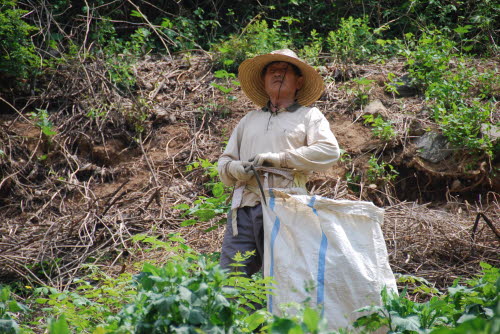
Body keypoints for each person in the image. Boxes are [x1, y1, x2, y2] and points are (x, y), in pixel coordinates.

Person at [218, 49, 340, 277]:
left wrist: (281, 158)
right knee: (231, 278)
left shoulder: (309, 116)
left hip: (288, 204)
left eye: (284, 69)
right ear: (263, 82)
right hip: (244, 207)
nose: (277, 74)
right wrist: (235, 169)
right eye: (271, 71)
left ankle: (281, 314)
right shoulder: (249, 120)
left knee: (284, 278)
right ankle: (237, 313)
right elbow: (224, 163)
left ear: (299, 81)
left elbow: (330, 152)